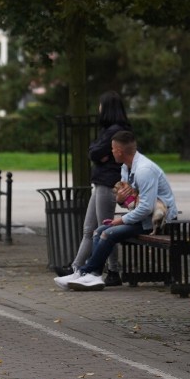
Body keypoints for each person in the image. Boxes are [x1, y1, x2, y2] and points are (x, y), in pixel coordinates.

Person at [54, 130, 178, 291]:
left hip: (160, 221)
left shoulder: (144, 170)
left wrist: (120, 220)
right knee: (99, 231)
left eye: (112, 149)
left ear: (119, 151)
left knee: (108, 233)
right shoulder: (126, 168)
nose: (111, 152)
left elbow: (146, 208)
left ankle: (86, 272)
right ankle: (94, 275)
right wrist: (120, 200)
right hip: (144, 217)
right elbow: (131, 203)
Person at [54, 91, 133, 285]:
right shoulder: (111, 130)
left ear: (107, 108)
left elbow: (95, 152)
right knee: (92, 229)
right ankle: (78, 268)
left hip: (107, 183)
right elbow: (94, 152)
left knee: (103, 229)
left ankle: (109, 271)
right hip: (101, 182)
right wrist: (98, 154)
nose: (98, 109)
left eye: (100, 105)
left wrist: (99, 155)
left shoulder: (115, 130)